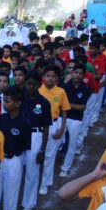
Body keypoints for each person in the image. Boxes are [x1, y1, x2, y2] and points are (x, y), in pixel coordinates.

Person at [20, 71, 52, 210]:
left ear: (40, 85)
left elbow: (46, 127)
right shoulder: (20, 99)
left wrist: (43, 150)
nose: (31, 87)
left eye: (34, 84)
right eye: (29, 84)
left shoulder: (44, 102)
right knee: (17, 168)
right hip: (20, 134)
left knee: (32, 172)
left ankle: (28, 204)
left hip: (36, 135)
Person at [39, 66, 69, 194]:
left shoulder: (61, 92)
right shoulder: (39, 90)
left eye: (53, 76)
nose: (50, 78)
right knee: (38, 153)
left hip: (53, 124)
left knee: (49, 156)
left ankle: (44, 184)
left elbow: (64, 110)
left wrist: (62, 128)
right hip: (39, 125)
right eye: (48, 75)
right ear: (44, 77)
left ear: (57, 78)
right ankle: (36, 180)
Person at [59, 63, 91, 177]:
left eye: (80, 74)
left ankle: (66, 167)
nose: (77, 75)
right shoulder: (65, 86)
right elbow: (61, 103)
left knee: (72, 144)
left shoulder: (86, 89)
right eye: (76, 72)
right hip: (62, 117)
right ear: (72, 73)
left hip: (76, 119)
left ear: (84, 76)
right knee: (56, 142)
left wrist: (67, 105)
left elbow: (82, 107)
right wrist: (74, 106)